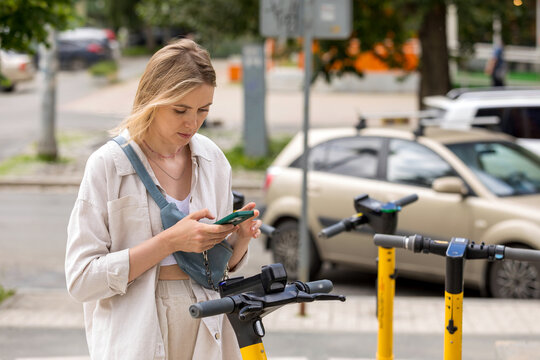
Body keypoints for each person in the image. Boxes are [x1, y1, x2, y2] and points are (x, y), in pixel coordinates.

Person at [65, 38, 262, 360]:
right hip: (136, 326)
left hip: (208, 319)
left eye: (203, 110)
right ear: (152, 99)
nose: (192, 123)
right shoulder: (108, 165)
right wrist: (169, 242)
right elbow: (81, 280)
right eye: (180, 110)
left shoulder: (212, 159)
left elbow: (217, 270)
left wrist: (238, 242)